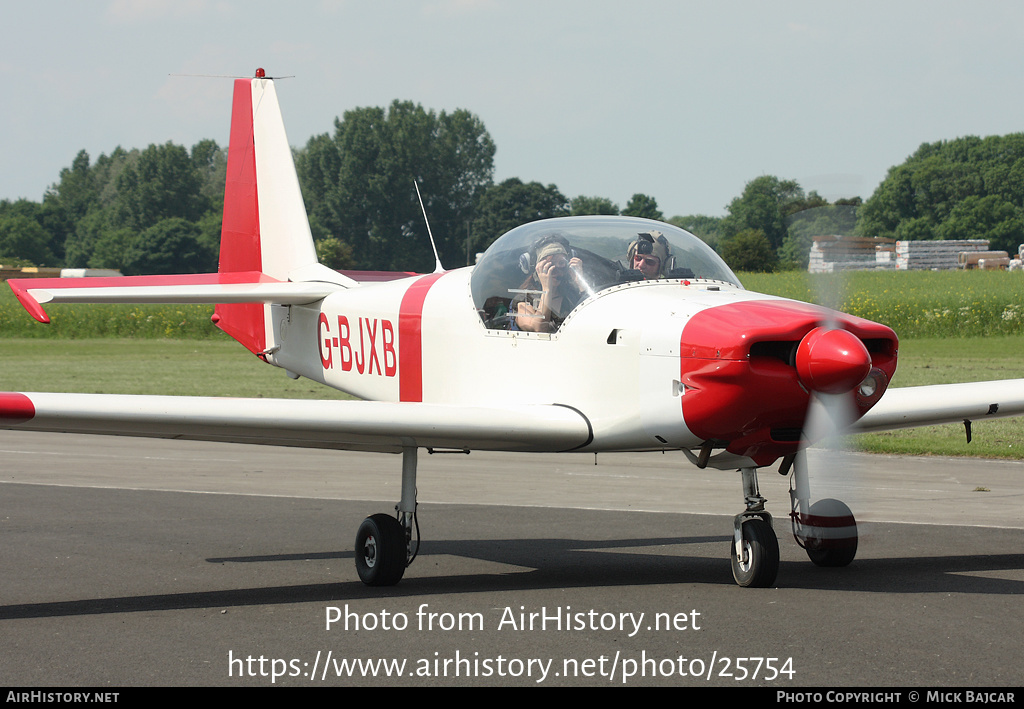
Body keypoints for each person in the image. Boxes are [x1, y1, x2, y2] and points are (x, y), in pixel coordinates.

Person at [512, 235, 584, 332]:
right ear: (536, 268)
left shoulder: (572, 296)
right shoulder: (524, 300)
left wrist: (580, 281)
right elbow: (538, 328)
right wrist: (547, 290)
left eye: (561, 263)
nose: (555, 270)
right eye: (548, 264)